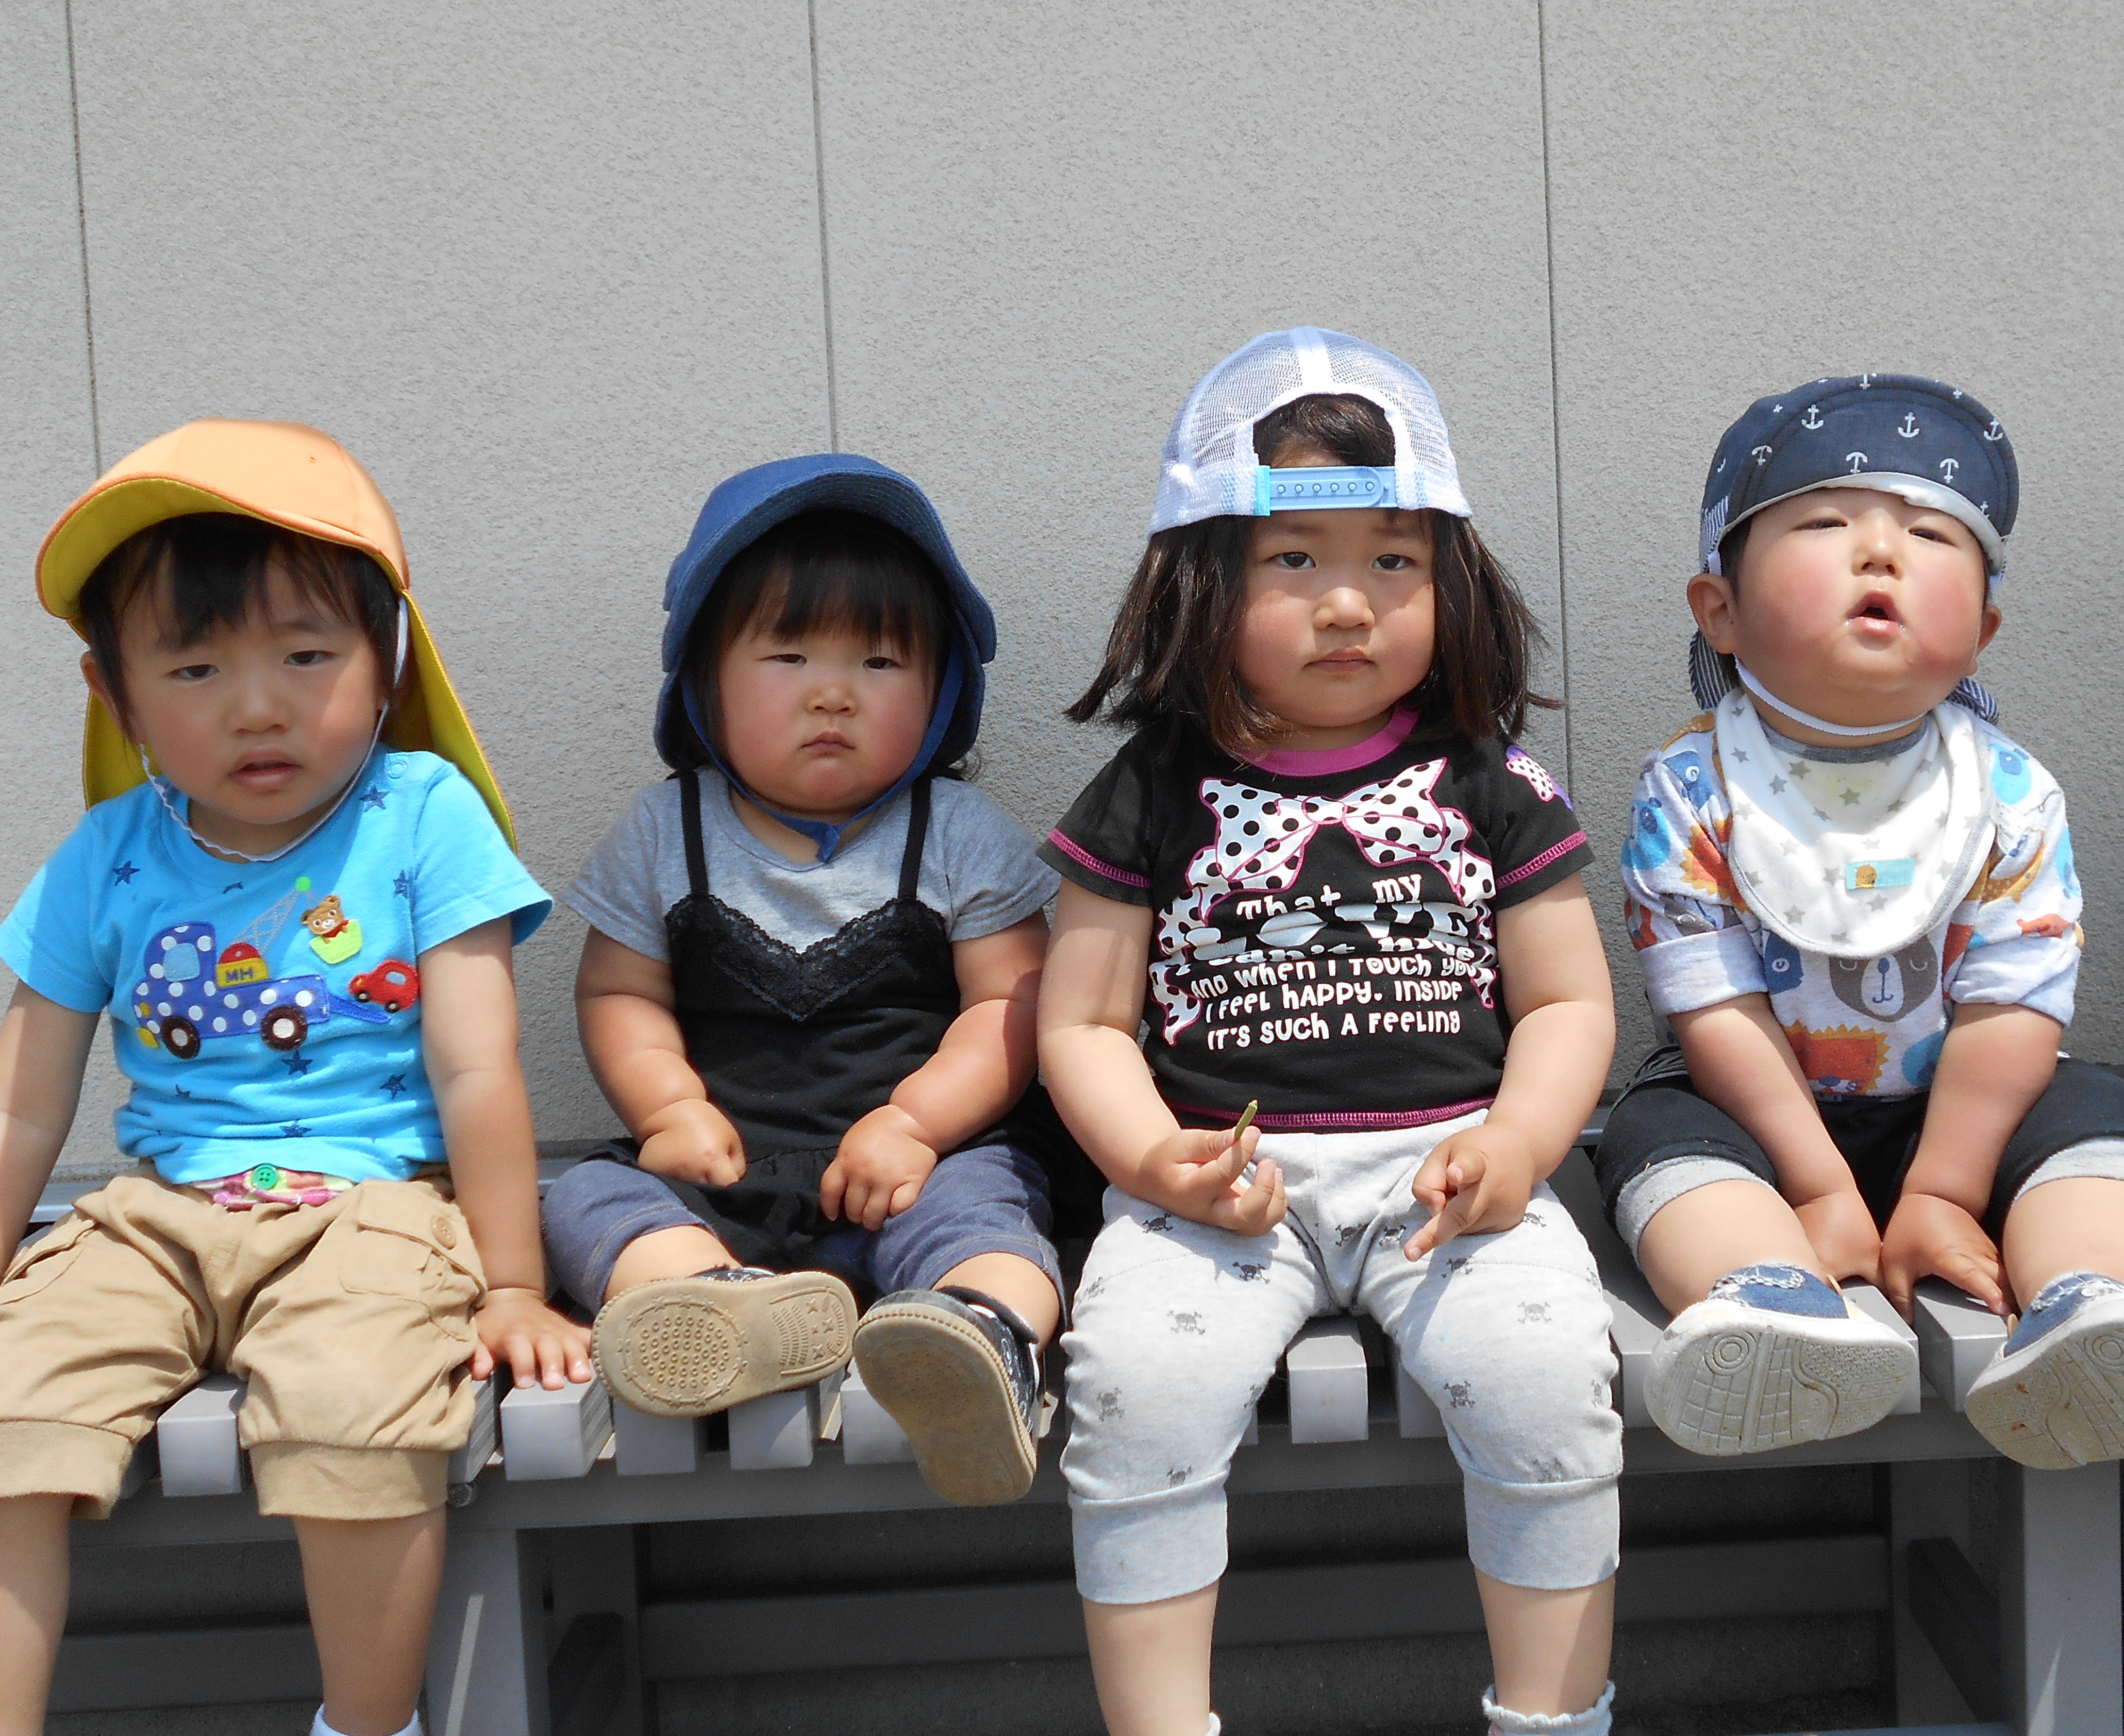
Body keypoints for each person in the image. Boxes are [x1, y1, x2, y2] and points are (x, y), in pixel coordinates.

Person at [1039, 330, 1624, 1736]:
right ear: (1197, 582)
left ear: (1453, 581)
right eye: (1294, 560)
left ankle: (1554, 1721)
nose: (1350, 603)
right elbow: (1083, 1023)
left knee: (1548, 1376)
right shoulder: (1150, 789)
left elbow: (1567, 1002)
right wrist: (1156, 1162)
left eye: (1394, 560)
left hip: (1455, 1176)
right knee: (1139, 1392)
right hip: (1217, 1185)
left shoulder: (1489, 780)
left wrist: (1519, 1143)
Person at [0, 421, 588, 1736]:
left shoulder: (421, 814)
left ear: (389, 660)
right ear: (114, 693)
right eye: (195, 666)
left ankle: (366, 1728)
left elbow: (477, 1067)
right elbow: (22, 1102)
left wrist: (509, 1283)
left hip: (372, 1212)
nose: (256, 705)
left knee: (357, 1411)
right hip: (153, 1217)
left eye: (306, 655)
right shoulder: (106, 853)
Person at [1594, 374, 2124, 1468]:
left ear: (1980, 631)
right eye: (1825, 525)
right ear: (1719, 610)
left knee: (2101, 1117)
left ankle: (2093, 1304)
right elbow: (1711, 1002)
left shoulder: (2010, 793)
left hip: (1969, 1111)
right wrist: (1817, 1186)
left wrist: (1941, 1187)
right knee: (1653, 1136)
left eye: (1930, 535)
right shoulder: (1692, 789)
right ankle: (1766, 1298)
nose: (1880, 553)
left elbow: (2013, 1002)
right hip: (1759, 1115)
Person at [541, 457, 1088, 1507]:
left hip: (921, 1163)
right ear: (704, 678)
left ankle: (979, 1333)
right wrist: (667, 1109)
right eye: (788, 655)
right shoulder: (666, 830)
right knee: (588, 1197)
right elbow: (618, 995)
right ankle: (713, 1305)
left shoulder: (956, 832)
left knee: (991, 1210)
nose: (833, 692)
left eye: (880, 662)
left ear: (941, 694)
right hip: (725, 1168)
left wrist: (918, 1123)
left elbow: (1013, 1004)